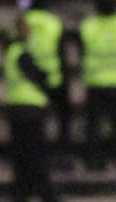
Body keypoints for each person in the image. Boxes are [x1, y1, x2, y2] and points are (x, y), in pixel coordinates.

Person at [5, 13, 63, 202]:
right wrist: (49, 82)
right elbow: (37, 76)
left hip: (17, 107)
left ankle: (22, 198)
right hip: (29, 109)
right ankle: (47, 198)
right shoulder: (21, 53)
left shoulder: (12, 51)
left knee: (23, 157)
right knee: (36, 156)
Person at [22, 0, 74, 161]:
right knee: (63, 116)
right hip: (53, 79)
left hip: (28, 81)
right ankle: (62, 152)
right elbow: (62, 54)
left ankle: (35, 155)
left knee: (34, 125)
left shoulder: (23, 22)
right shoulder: (53, 23)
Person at [80, 0, 116, 172]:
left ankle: (94, 162)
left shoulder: (88, 26)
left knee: (94, 126)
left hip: (95, 82)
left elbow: (82, 52)